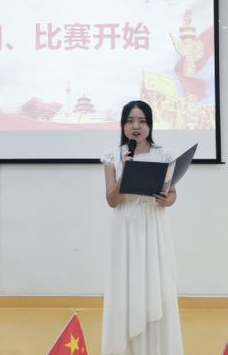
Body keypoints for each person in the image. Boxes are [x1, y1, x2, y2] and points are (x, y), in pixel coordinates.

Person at [100, 100, 184, 355]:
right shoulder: (113, 156)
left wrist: (168, 200)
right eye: (130, 121)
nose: (136, 126)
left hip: (154, 225)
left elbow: (172, 194)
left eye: (142, 121)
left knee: (155, 282)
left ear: (150, 125)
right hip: (126, 224)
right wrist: (127, 172)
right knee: (127, 284)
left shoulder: (164, 155)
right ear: (123, 125)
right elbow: (112, 200)